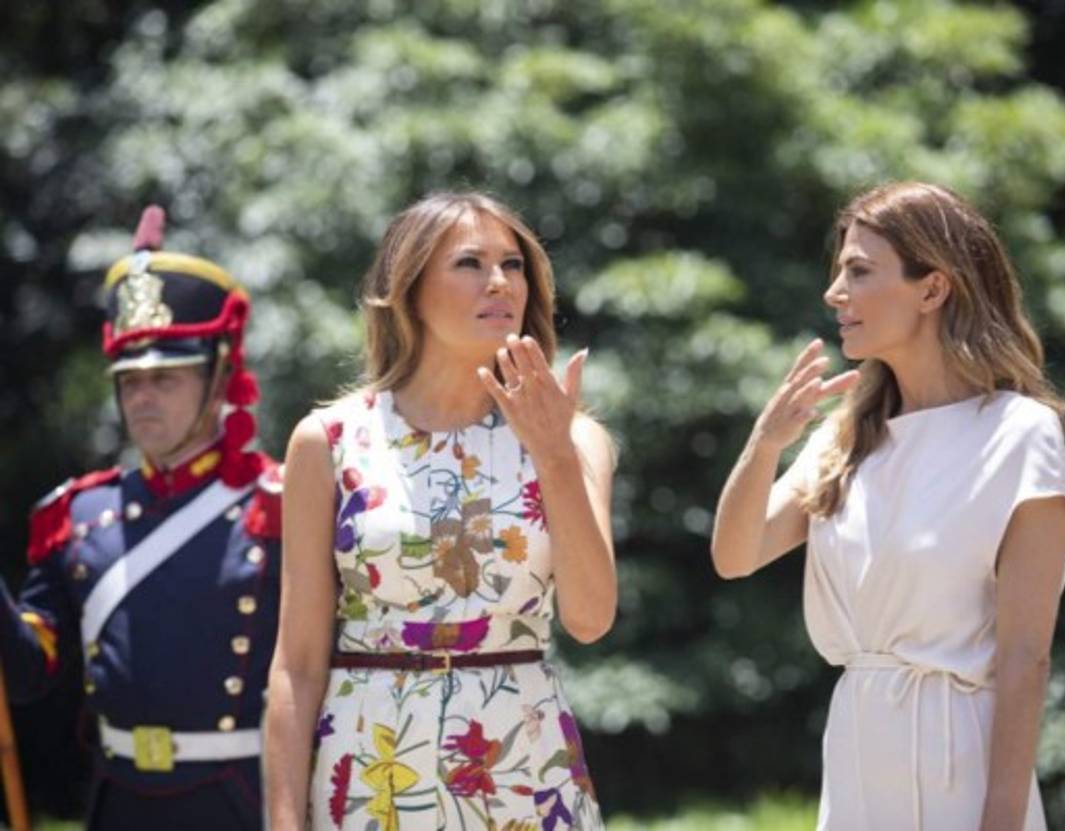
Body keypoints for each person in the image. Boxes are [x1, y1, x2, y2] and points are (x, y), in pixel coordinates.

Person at [710, 181, 1065, 830]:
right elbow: (735, 556)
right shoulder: (848, 434)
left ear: (932, 289)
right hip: (857, 752)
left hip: (960, 763)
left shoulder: (1020, 435)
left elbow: (1026, 657)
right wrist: (765, 442)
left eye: (857, 270)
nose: (834, 293)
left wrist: (1001, 818)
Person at [264, 191, 616, 830]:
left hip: (523, 765)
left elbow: (591, 619)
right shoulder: (329, 441)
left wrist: (554, 456)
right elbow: (298, 663)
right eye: (469, 264)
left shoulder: (575, 437)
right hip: (372, 766)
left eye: (513, 265)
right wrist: (285, 822)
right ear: (408, 289)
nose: (500, 283)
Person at [0, 206, 283, 828]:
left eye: (167, 379)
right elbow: (28, 675)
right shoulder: (76, 514)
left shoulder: (282, 504)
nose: (144, 398)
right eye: (131, 382)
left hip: (242, 800)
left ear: (219, 381)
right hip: (118, 801)